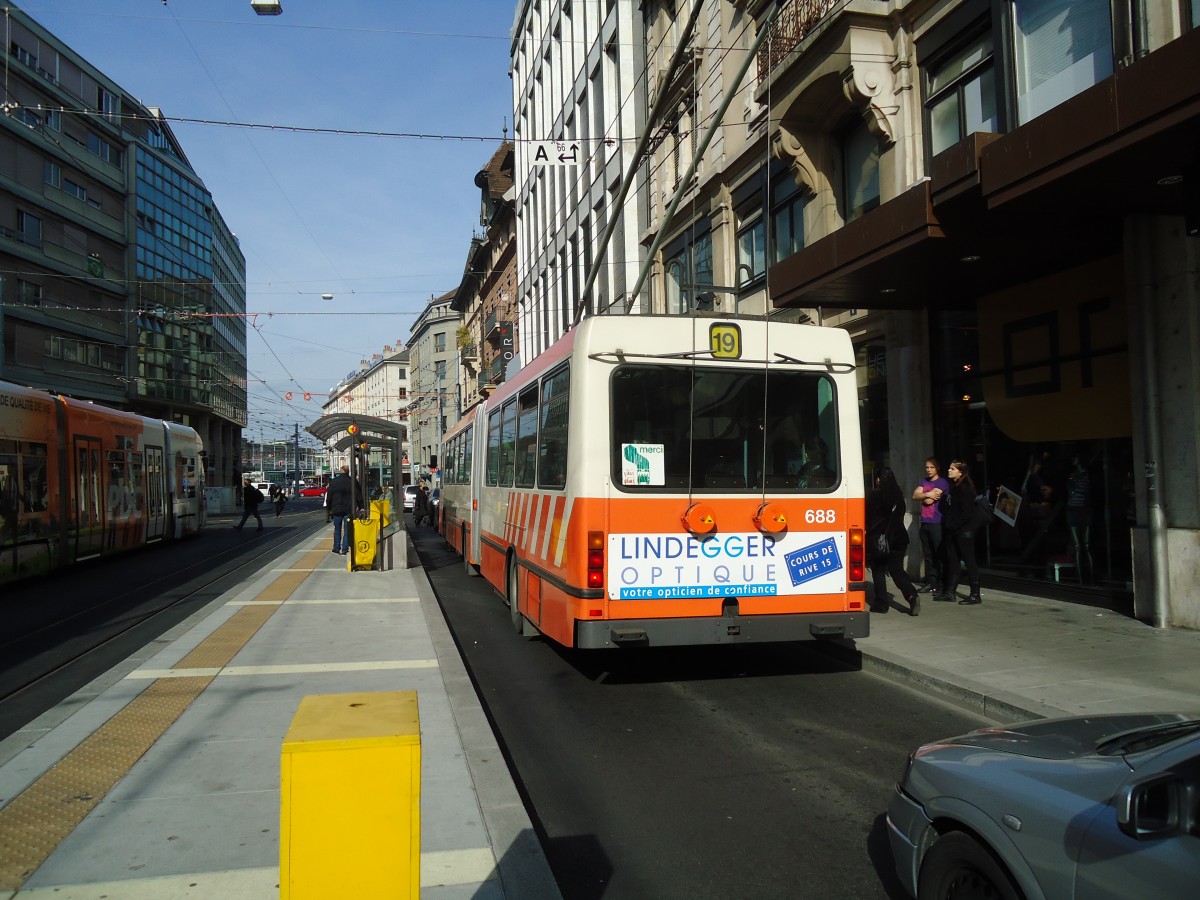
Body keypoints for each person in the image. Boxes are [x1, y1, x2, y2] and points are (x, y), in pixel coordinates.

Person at [867, 467, 920, 616]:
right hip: (898, 538)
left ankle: (881, 603)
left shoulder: (875, 495)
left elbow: (869, 518)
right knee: (897, 570)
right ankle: (911, 596)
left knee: (878, 570)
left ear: (878, 479)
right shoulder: (898, 495)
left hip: (880, 539)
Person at [937, 459, 984, 605]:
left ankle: (975, 594)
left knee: (969, 561)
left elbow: (966, 513)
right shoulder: (954, 487)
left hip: (964, 531)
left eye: (952, 469)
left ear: (960, 472)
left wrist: (954, 525)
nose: (949, 470)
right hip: (954, 530)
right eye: (949, 468)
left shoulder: (965, 488)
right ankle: (950, 592)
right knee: (953, 561)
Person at [911, 457, 950, 594]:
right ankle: (930, 582)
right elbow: (915, 495)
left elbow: (927, 501)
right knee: (928, 556)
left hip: (937, 523)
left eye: (931, 467)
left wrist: (923, 495)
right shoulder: (924, 481)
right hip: (925, 522)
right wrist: (927, 494)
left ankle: (941, 583)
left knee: (939, 554)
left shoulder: (942, 482)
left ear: (937, 468)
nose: (928, 470)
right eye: (927, 467)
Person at [326, 465, 354, 555]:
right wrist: (361, 506)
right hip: (348, 509)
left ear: (341, 471)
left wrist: (328, 508)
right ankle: (345, 549)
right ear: (348, 471)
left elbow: (329, 496)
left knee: (337, 529)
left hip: (336, 509)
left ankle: (336, 547)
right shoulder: (352, 481)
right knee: (347, 530)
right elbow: (358, 494)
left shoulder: (334, 482)